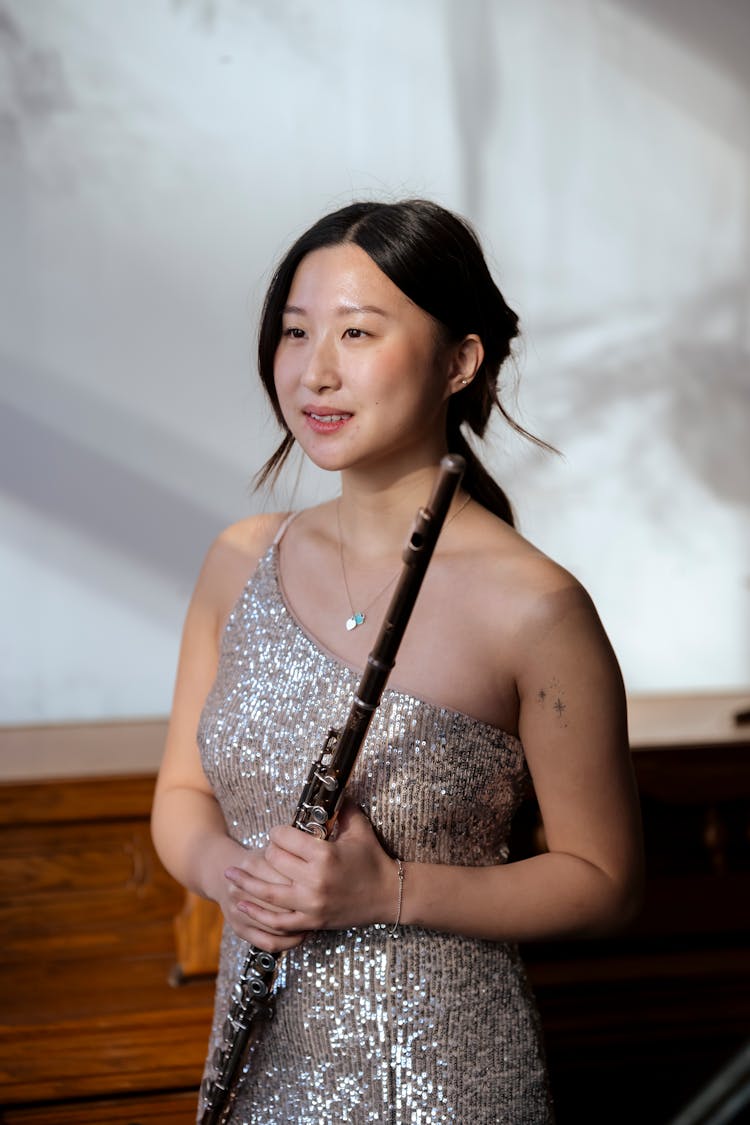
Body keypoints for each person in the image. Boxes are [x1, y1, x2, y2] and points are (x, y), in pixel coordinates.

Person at [151, 198, 644, 1124]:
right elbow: (180, 795)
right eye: (296, 333)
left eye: (357, 332)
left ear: (461, 361)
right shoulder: (237, 560)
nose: (316, 370)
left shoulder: (537, 607)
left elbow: (605, 881)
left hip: (444, 1081)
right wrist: (235, 875)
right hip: (259, 1071)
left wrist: (391, 890)